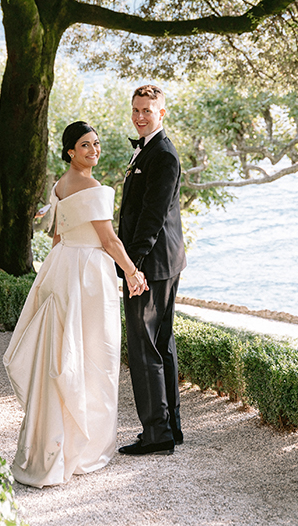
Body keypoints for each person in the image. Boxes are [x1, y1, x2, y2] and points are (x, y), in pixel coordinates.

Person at [3, 121, 147, 488]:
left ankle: (57, 442)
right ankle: (82, 448)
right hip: (88, 275)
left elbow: (56, 236)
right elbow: (110, 241)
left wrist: (48, 278)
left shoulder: (59, 185)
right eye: (85, 145)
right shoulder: (93, 187)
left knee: (64, 354)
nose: (93, 150)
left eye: (96, 144)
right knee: (93, 357)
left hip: (64, 266)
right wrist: (133, 273)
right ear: (70, 151)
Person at [117, 84, 187, 456]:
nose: (140, 116)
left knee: (145, 347)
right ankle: (170, 427)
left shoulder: (163, 155)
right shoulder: (151, 150)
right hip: (164, 261)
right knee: (161, 343)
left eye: (148, 110)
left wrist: (133, 265)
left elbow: (152, 218)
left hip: (152, 265)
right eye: (136, 110)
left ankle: (157, 433)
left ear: (162, 113)